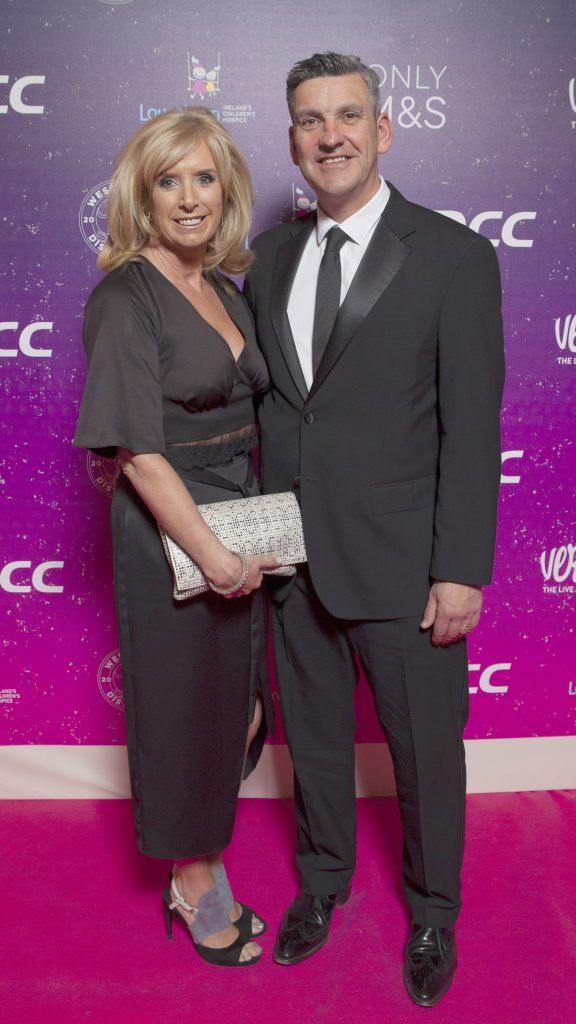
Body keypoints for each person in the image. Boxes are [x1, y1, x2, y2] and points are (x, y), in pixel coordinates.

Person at [244, 52, 504, 1003]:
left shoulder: (452, 255)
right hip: (294, 560)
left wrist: (461, 568)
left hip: (406, 564)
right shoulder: (264, 260)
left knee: (426, 754)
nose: (331, 134)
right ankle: (323, 883)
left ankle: (434, 910)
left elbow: (471, 429)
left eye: (348, 115)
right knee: (313, 741)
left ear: (382, 129)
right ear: (293, 144)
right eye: (311, 121)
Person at [74, 108, 279, 968]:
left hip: (240, 509)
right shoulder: (126, 295)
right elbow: (138, 453)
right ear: (142, 193)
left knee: (236, 708)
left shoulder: (225, 289)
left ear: (226, 189)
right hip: (174, 526)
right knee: (185, 711)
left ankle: (202, 859)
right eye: (169, 180)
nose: (189, 198)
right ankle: (195, 882)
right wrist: (213, 555)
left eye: (205, 178)